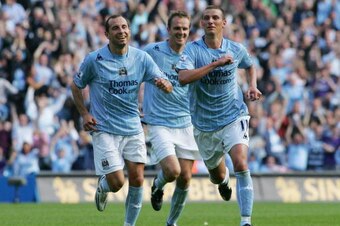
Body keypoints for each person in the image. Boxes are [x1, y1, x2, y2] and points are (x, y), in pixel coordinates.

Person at [70, 15, 172, 226]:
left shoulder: (141, 58)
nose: (122, 31)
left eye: (124, 27)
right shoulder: (94, 59)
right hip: (104, 128)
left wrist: (165, 85)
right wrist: (84, 114)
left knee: (137, 180)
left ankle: (129, 224)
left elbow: (164, 80)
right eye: (115, 28)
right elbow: (76, 85)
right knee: (116, 183)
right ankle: (103, 187)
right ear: (107, 34)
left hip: (133, 127)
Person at [177, 5, 262, 226]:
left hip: (234, 115)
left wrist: (252, 86)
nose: (211, 21)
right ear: (202, 23)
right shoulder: (192, 51)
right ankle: (223, 181)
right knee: (216, 175)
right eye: (206, 18)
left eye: (216, 17)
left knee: (241, 164)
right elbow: (184, 78)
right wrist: (216, 63)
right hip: (204, 124)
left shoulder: (236, 48)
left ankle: (245, 221)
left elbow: (250, 65)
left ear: (224, 23)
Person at [141, 11, 201, 226]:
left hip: (186, 122)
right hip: (159, 122)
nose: (181, 32)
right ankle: (157, 186)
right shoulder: (152, 51)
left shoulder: (195, 54)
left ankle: (171, 223)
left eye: (185, 29)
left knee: (185, 177)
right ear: (168, 30)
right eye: (177, 28)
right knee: (173, 171)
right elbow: (134, 70)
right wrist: (136, 102)